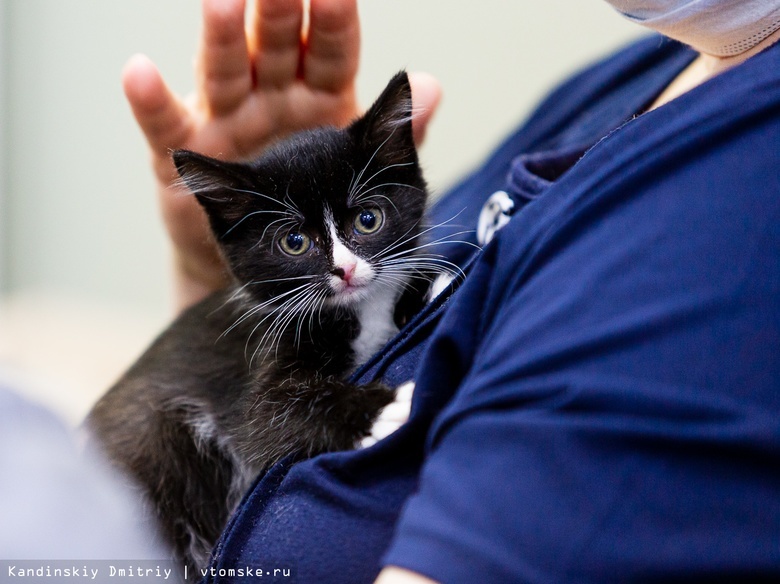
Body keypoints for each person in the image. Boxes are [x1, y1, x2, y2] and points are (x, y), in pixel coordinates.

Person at [122, 0, 780, 582]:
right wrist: (221, 284)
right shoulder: (636, 73)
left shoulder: (740, 193)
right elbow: (236, 417)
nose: (348, 263)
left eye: (366, 222)